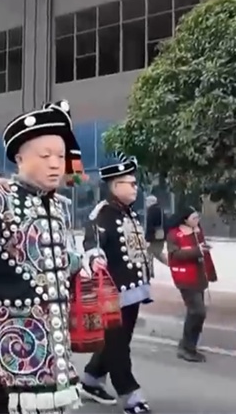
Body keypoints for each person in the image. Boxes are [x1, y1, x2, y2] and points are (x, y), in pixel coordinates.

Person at [0, 100, 107, 414]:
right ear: (19, 158)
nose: (56, 164)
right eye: (45, 156)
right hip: (7, 346)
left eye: (60, 156)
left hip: (53, 346)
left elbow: (55, 260)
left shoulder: (57, 207)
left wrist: (80, 264)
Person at [79, 154, 154, 413]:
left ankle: (91, 379)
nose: (135, 187)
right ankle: (130, 395)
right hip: (112, 295)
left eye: (135, 183)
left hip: (133, 292)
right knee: (118, 345)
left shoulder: (128, 213)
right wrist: (96, 258)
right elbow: (92, 243)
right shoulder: (103, 213)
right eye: (129, 183)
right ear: (114, 186)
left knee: (117, 341)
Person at [166, 207, 211, 363]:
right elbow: (174, 255)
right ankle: (187, 347)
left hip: (199, 277)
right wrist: (196, 251)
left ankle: (188, 344)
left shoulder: (198, 232)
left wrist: (210, 273)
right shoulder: (174, 234)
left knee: (195, 312)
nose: (197, 220)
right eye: (194, 217)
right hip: (184, 277)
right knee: (198, 312)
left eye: (198, 217)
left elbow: (204, 254)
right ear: (185, 219)